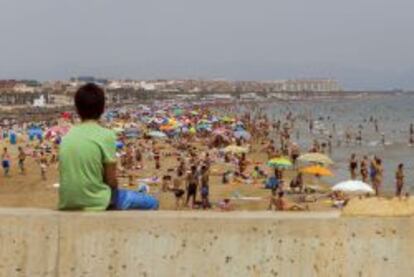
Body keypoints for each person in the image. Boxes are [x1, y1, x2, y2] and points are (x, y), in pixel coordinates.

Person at [58, 83, 158, 211]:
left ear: (77, 109)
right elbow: (111, 180)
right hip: (97, 201)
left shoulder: (67, 136)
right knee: (152, 203)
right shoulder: (106, 135)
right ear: (103, 108)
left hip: (67, 202)